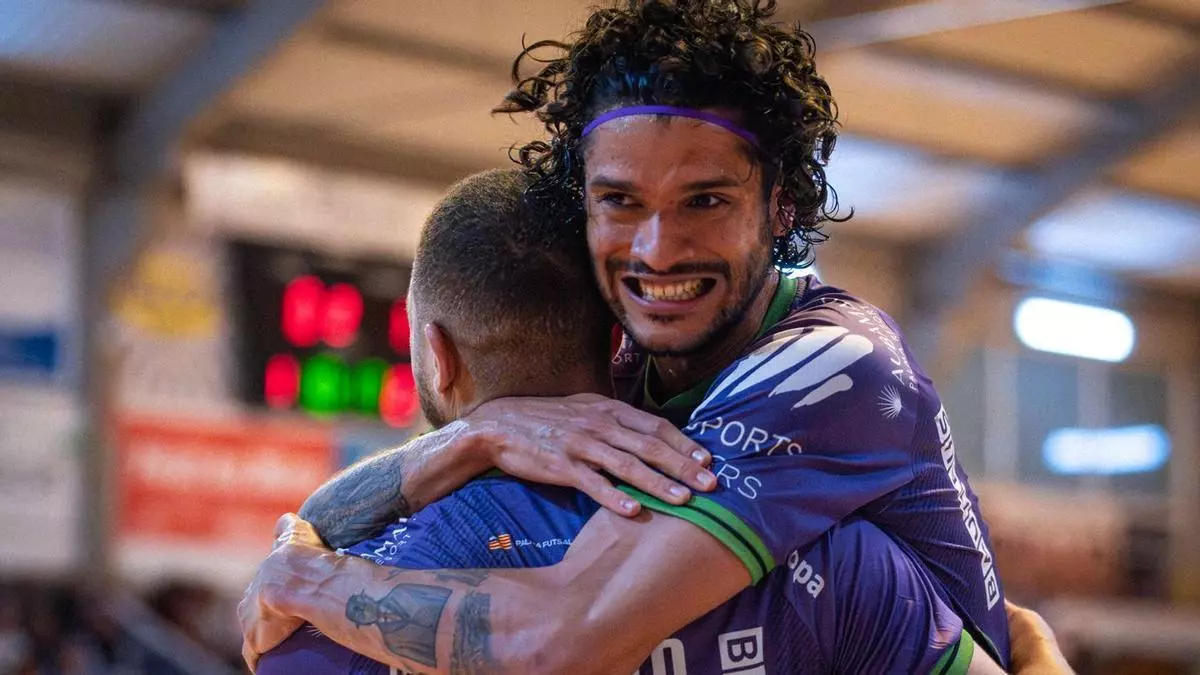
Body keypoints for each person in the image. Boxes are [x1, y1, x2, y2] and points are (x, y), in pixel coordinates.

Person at [245, 0, 1019, 670]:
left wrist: (303, 582)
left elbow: (564, 640)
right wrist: (475, 435)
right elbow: (318, 523)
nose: (658, 249)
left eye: (704, 200)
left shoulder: (832, 365)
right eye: (620, 200)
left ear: (780, 207)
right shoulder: (629, 358)